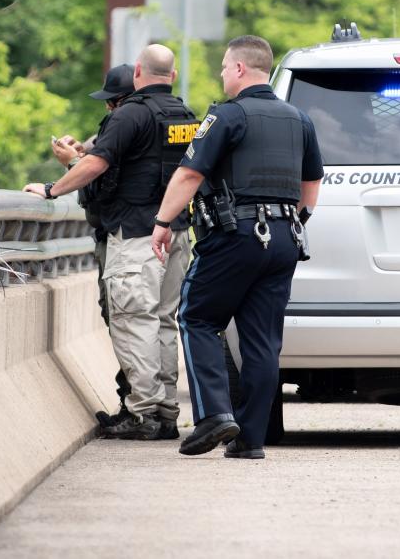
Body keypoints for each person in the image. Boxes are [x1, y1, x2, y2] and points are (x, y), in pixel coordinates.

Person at [151, 35, 323, 459]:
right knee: (262, 341)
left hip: (236, 236)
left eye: (226, 67)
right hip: (284, 239)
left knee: (197, 317)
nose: (223, 73)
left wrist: (161, 222)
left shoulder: (227, 116)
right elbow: (312, 182)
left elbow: (189, 174)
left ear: (241, 69)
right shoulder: (299, 118)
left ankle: (213, 415)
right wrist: (296, 220)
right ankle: (251, 440)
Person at [26, 44, 198, 441]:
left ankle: (144, 414)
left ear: (139, 72)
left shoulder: (131, 113)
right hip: (174, 232)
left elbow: (99, 164)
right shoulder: (184, 115)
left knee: (133, 320)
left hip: (137, 236)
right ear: (170, 75)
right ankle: (167, 411)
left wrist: (53, 189)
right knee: (163, 323)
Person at [47, 63, 134, 425]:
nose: (108, 110)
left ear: (120, 102)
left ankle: (138, 409)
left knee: (126, 320)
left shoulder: (127, 119)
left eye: (110, 103)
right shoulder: (150, 119)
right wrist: (84, 152)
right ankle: (144, 407)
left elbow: (102, 175)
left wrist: (71, 166)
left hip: (124, 235)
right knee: (144, 321)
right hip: (151, 232)